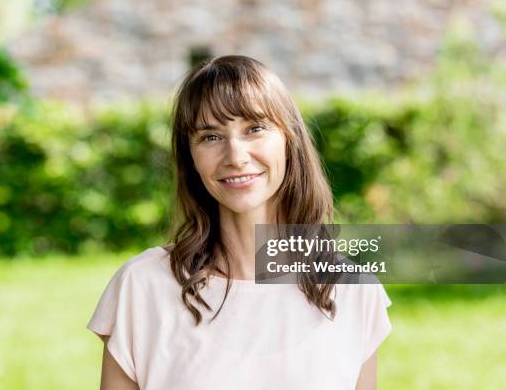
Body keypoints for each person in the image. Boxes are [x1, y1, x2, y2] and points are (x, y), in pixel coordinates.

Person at [87, 55, 392, 390]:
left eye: (255, 129)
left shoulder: (354, 290)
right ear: (191, 158)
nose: (236, 156)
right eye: (210, 136)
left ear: (289, 142)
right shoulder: (143, 286)